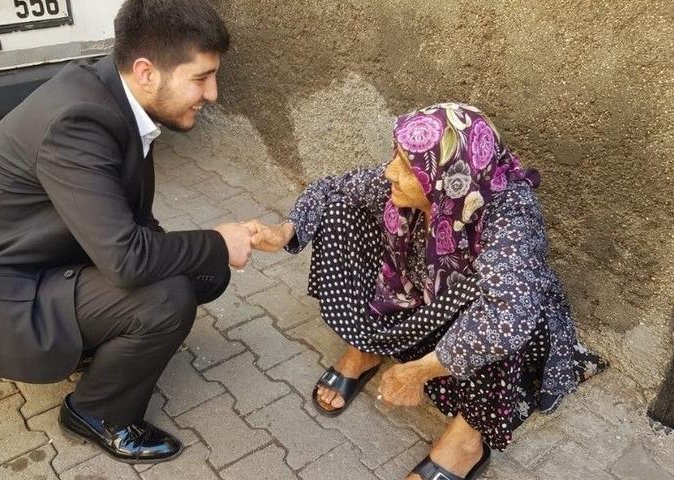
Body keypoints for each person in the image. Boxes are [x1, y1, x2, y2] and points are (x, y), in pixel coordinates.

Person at [0, 0, 253, 464]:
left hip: (47, 262)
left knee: (208, 272)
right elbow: (127, 259)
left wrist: (210, 252)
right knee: (167, 299)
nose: (213, 93)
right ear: (146, 71)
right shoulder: (77, 121)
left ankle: (102, 345)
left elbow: (133, 223)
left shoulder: (117, 96)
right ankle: (96, 413)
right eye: (201, 77)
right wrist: (216, 241)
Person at [248, 103, 606, 480]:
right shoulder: (418, 181)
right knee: (339, 211)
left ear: (450, 181)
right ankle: (366, 347)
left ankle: (465, 441)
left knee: (498, 306)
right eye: (398, 158)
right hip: (425, 296)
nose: (390, 171)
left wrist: (417, 372)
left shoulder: (510, 216)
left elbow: (507, 316)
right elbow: (331, 187)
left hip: (482, 317)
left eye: (405, 165)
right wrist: (284, 231)